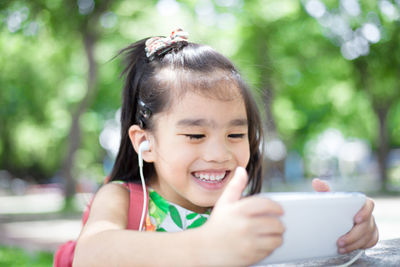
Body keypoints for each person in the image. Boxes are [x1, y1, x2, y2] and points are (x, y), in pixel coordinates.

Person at [73, 28, 378, 266]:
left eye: (235, 135)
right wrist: (206, 245)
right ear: (145, 142)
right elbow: (89, 255)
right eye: (195, 136)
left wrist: (340, 233)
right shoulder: (123, 199)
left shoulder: (240, 211)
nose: (219, 155)